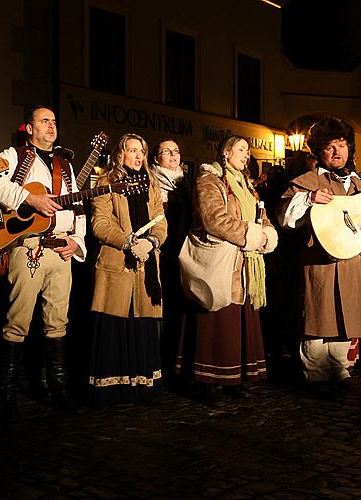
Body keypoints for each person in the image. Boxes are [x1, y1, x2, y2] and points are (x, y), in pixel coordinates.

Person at [0, 105, 86, 416]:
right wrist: (29, 198)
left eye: (54, 121)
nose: (51, 126)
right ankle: (7, 392)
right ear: (29, 128)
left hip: (60, 251)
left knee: (58, 322)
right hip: (29, 248)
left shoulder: (64, 165)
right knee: (18, 321)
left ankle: (58, 388)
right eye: (44, 121)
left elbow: (77, 205)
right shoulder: (13, 156)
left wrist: (76, 241)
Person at [176, 136, 277, 404]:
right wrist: (250, 234)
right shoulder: (210, 181)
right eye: (241, 149)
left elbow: (259, 213)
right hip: (220, 264)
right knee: (217, 320)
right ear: (226, 152)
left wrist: (266, 232)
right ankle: (207, 380)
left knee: (238, 321)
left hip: (244, 264)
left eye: (248, 150)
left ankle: (234, 378)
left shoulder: (247, 186)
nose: (246, 155)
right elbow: (214, 219)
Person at [278, 116, 360, 394]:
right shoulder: (307, 181)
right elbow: (286, 220)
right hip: (319, 262)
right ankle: (315, 373)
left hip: (352, 263)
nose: (338, 152)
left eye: (342, 145)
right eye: (330, 146)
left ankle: (339, 368)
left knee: (347, 315)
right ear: (319, 151)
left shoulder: (358, 183)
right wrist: (310, 199)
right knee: (319, 314)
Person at [86, 133, 167, 406]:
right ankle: (114, 391)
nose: (137, 156)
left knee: (142, 323)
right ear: (120, 153)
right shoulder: (106, 182)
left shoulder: (151, 183)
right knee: (115, 326)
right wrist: (129, 242)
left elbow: (161, 221)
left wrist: (152, 241)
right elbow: (100, 224)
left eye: (141, 152)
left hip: (146, 266)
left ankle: (142, 388)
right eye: (132, 150)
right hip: (116, 264)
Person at [149, 139, 190, 384]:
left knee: (180, 304)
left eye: (176, 151)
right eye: (167, 151)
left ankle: (178, 360)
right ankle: (158, 360)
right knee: (159, 303)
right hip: (161, 250)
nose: (173, 155)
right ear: (156, 159)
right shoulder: (151, 182)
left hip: (183, 250)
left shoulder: (186, 183)